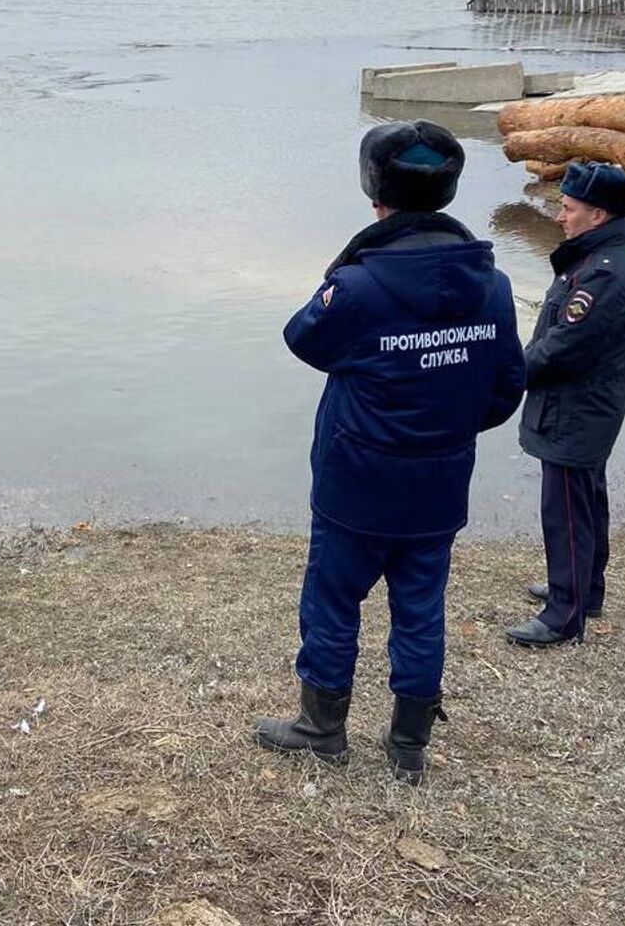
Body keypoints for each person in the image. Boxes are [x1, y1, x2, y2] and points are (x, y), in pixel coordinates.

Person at [253, 122, 525, 783]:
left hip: (358, 481)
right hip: (439, 482)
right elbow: (506, 389)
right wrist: (443, 428)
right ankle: (408, 745)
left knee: (332, 601)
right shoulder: (491, 284)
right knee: (421, 607)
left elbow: (302, 338)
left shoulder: (361, 287)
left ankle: (321, 727)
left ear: (375, 190)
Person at [506, 162, 625, 648]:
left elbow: (561, 348)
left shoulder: (604, 277)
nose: (559, 216)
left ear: (599, 214)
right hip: (587, 405)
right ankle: (585, 590)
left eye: (568, 208)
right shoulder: (599, 259)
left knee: (565, 508)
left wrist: (504, 374)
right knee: (586, 499)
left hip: (577, 409)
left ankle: (564, 614)